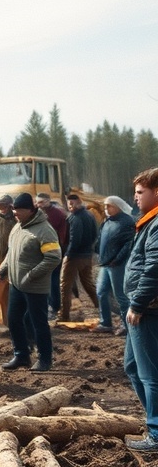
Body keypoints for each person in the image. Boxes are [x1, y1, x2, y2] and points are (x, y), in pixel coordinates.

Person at [0, 193, 62, 372]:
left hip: (35, 287)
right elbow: (12, 253)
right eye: (14, 209)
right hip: (16, 284)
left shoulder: (44, 230)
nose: (15, 213)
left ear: (31, 210)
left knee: (38, 322)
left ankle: (44, 359)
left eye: (19, 210)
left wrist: (32, 274)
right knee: (14, 319)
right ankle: (21, 355)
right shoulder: (18, 227)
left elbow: (54, 257)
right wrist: (3, 269)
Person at [123, 168, 158, 453]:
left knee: (150, 374)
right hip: (144, 306)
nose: (135, 197)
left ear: (156, 192)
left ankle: (157, 434)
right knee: (133, 367)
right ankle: (154, 422)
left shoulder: (157, 223)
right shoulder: (148, 222)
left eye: (139, 192)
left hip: (147, 309)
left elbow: (154, 267)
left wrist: (137, 303)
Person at [92, 195, 136, 335]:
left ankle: (126, 325)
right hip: (106, 263)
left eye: (109, 206)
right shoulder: (107, 221)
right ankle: (105, 323)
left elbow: (128, 244)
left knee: (120, 296)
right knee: (101, 291)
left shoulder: (127, 221)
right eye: (105, 206)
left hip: (118, 264)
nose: (106, 209)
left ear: (118, 206)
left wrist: (117, 259)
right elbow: (101, 238)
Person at [60, 193, 100, 321]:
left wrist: (68, 255)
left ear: (79, 202)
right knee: (88, 283)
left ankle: (64, 316)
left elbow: (74, 239)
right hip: (87, 255)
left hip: (74, 256)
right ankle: (102, 308)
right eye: (69, 203)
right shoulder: (90, 215)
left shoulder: (75, 218)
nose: (70, 206)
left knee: (65, 286)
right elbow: (95, 234)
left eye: (72, 203)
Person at [37, 193, 68, 318]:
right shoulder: (37, 213)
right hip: (41, 250)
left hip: (55, 249)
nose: (40, 205)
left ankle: (54, 307)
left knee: (53, 280)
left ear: (48, 201)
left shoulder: (58, 214)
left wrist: (61, 249)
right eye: (38, 202)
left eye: (42, 202)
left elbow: (63, 234)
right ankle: (47, 305)